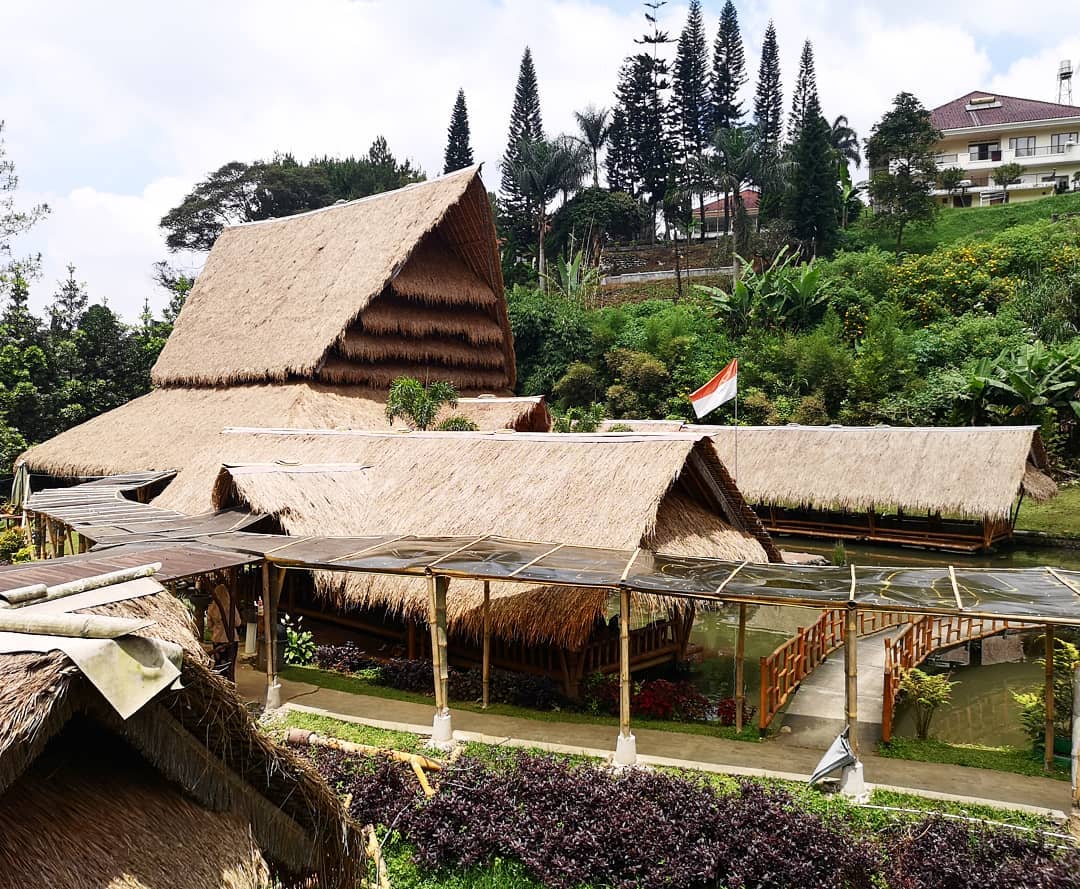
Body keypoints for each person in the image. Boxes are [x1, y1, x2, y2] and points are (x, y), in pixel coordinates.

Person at [206, 582, 242, 680]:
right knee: (230, 664)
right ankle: (230, 681)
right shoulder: (231, 607)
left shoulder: (212, 608)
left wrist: (217, 627)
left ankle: (220, 682)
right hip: (231, 637)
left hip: (218, 638)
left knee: (219, 663)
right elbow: (238, 622)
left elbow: (209, 625)